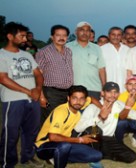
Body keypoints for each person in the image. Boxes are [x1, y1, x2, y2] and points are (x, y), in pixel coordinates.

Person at [0, 22, 44, 167]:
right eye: (22, 35)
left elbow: (38, 74)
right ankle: (7, 162)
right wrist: (28, 91)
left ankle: (28, 157)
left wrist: (37, 89)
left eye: (25, 35)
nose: (25, 39)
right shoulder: (2, 54)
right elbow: (3, 78)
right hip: (13, 100)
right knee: (11, 133)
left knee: (31, 131)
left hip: (33, 99)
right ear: (10, 36)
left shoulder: (26, 55)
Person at [35, 85, 102, 168]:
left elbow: (91, 99)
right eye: (74, 98)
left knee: (97, 155)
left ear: (85, 100)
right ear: (68, 98)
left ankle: (58, 157)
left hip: (66, 144)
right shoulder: (61, 111)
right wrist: (79, 140)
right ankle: (57, 158)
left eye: (81, 98)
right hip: (44, 146)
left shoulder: (78, 106)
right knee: (64, 146)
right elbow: (53, 137)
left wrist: (102, 109)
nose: (78, 101)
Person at [73, 82, 136, 163]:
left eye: (115, 92)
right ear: (102, 93)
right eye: (109, 91)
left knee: (131, 156)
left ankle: (98, 155)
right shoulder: (93, 107)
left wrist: (135, 107)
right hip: (90, 139)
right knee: (95, 129)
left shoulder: (119, 105)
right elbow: (78, 128)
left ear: (119, 94)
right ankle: (92, 154)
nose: (112, 95)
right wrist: (99, 117)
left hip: (107, 139)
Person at [35, 24, 73, 124]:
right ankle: (45, 140)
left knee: (62, 120)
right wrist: (41, 96)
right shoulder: (44, 52)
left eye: (64, 35)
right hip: (51, 93)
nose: (61, 38)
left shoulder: (68, 51)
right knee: (50, 121)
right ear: (52, 37)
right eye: (58, 35)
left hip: (67, 93)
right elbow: (37, 75)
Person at [66, 21, 106, 99]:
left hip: (94, 88)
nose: (85, 32)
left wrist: (104, 87)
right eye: (82, 30)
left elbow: (101, 69)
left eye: (87, 30)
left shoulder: (96, 48)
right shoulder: (67, 47)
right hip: (74, 89)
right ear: (76, 32)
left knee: (94, 111)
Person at [101, 27, 130, 93]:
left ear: (122, 36)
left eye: (118, 35)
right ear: (109, 35)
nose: (116, 37)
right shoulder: (102, 49)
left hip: (124, 87)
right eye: (113, 35)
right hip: (108, 86)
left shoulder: (127, 49)